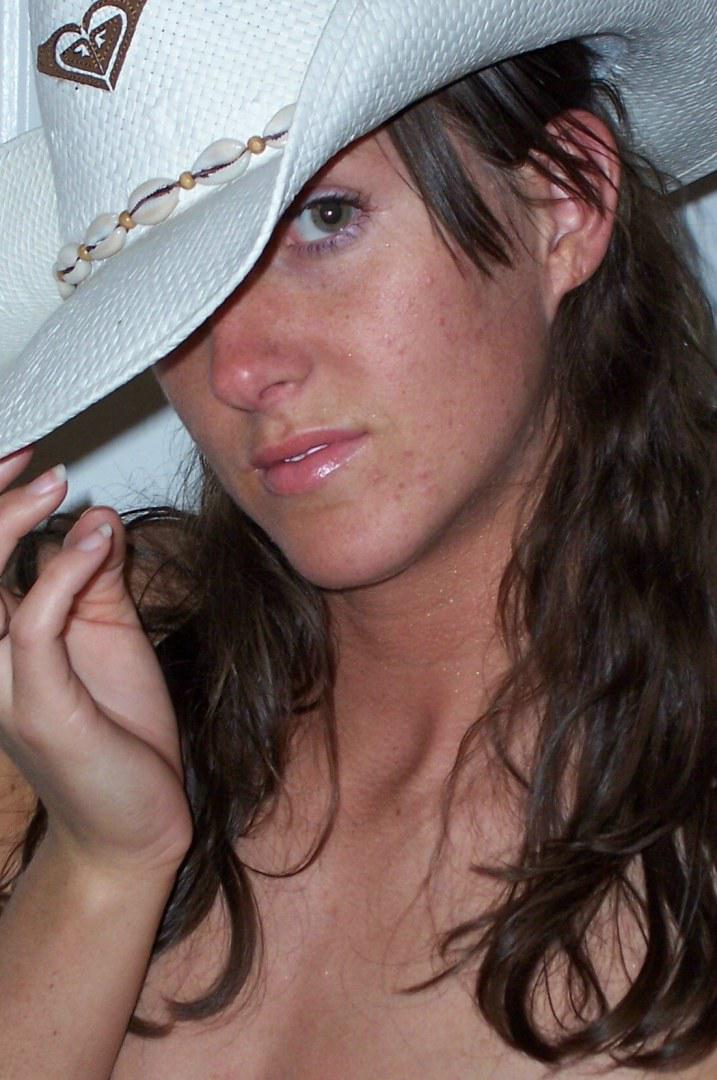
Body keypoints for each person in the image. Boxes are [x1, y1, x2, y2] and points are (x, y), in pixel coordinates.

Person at [0, 0, 715, 1075]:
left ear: (564, 201)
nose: (239, 369)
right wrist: (103, 862)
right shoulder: (81, 722)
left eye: (325, 219)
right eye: (167, 296)